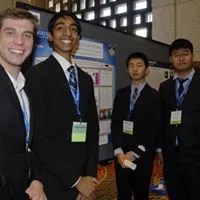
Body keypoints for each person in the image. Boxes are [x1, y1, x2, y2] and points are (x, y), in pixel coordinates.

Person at [26, 10, 99, 200]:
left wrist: (89, 177)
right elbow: (38, 138)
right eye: (60, 28)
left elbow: (92, 129)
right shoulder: (36, 76)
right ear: (50, 36)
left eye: (73, 29)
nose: (67, 33)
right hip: (53, 180)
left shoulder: (84, 79)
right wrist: (76, 181)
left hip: (84, 178)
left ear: (78, 37)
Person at [0, 8, 47, 200]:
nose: (19, 42)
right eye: (10, 32)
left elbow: (26, 145)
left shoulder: (25, 86)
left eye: (27, 35)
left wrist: (36, 180)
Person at [111, 52, 161, 200]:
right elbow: (116, 124)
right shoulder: (121, 94)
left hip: (142, 156)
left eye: (139, 65)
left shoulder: (155, 96)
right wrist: (118, 150)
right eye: (131, 66)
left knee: (141, 194)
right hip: (122, 156)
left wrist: (134, 153)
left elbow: (154, 130)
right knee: (123, 193)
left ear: (146, 70)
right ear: (127, 70)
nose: (135, 69)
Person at [159, 38, 200, 200]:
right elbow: (161, 120)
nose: (181, 58)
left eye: (185, 54)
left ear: (192, 56)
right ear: (170, 59)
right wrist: (159, 149)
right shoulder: (165, 87)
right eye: (176, 55)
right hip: (171, 158)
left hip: (196, 158)